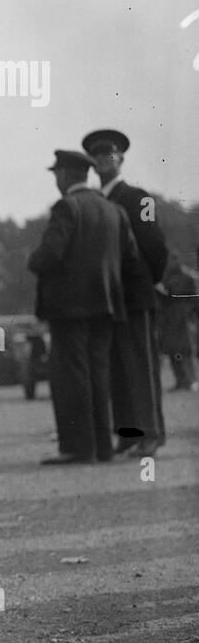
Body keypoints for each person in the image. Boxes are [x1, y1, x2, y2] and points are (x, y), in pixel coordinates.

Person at [27, 149, 141, 465]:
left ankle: (80, 447)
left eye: (56, 176)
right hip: (105, 306)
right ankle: (102, 447)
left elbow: (49, 254)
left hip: (68, 308)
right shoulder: (113, 210)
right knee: (98, 375)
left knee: (71, 377)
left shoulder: (67, 207)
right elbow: (130, 257)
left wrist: (32, 260)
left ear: (64, 175)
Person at [81, 129, 169, 455]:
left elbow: (155, 246)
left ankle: (151, 433)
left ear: (121, 158)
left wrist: (148, 282)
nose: (104, 159)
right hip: (106, 298)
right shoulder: (92, 202)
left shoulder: (138, 197)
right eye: (98, 155)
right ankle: (129, 433)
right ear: (91, 162)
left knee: (140, 366)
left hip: (134, 294)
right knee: (117, 367)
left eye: (110, 153)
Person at [158, 252, 198, 391]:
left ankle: (187, 379)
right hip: (175, 319)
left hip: (177, 319)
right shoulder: (183, 279)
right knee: (178, 351)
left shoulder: (173, 280)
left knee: (181, 351)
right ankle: (184, 379)